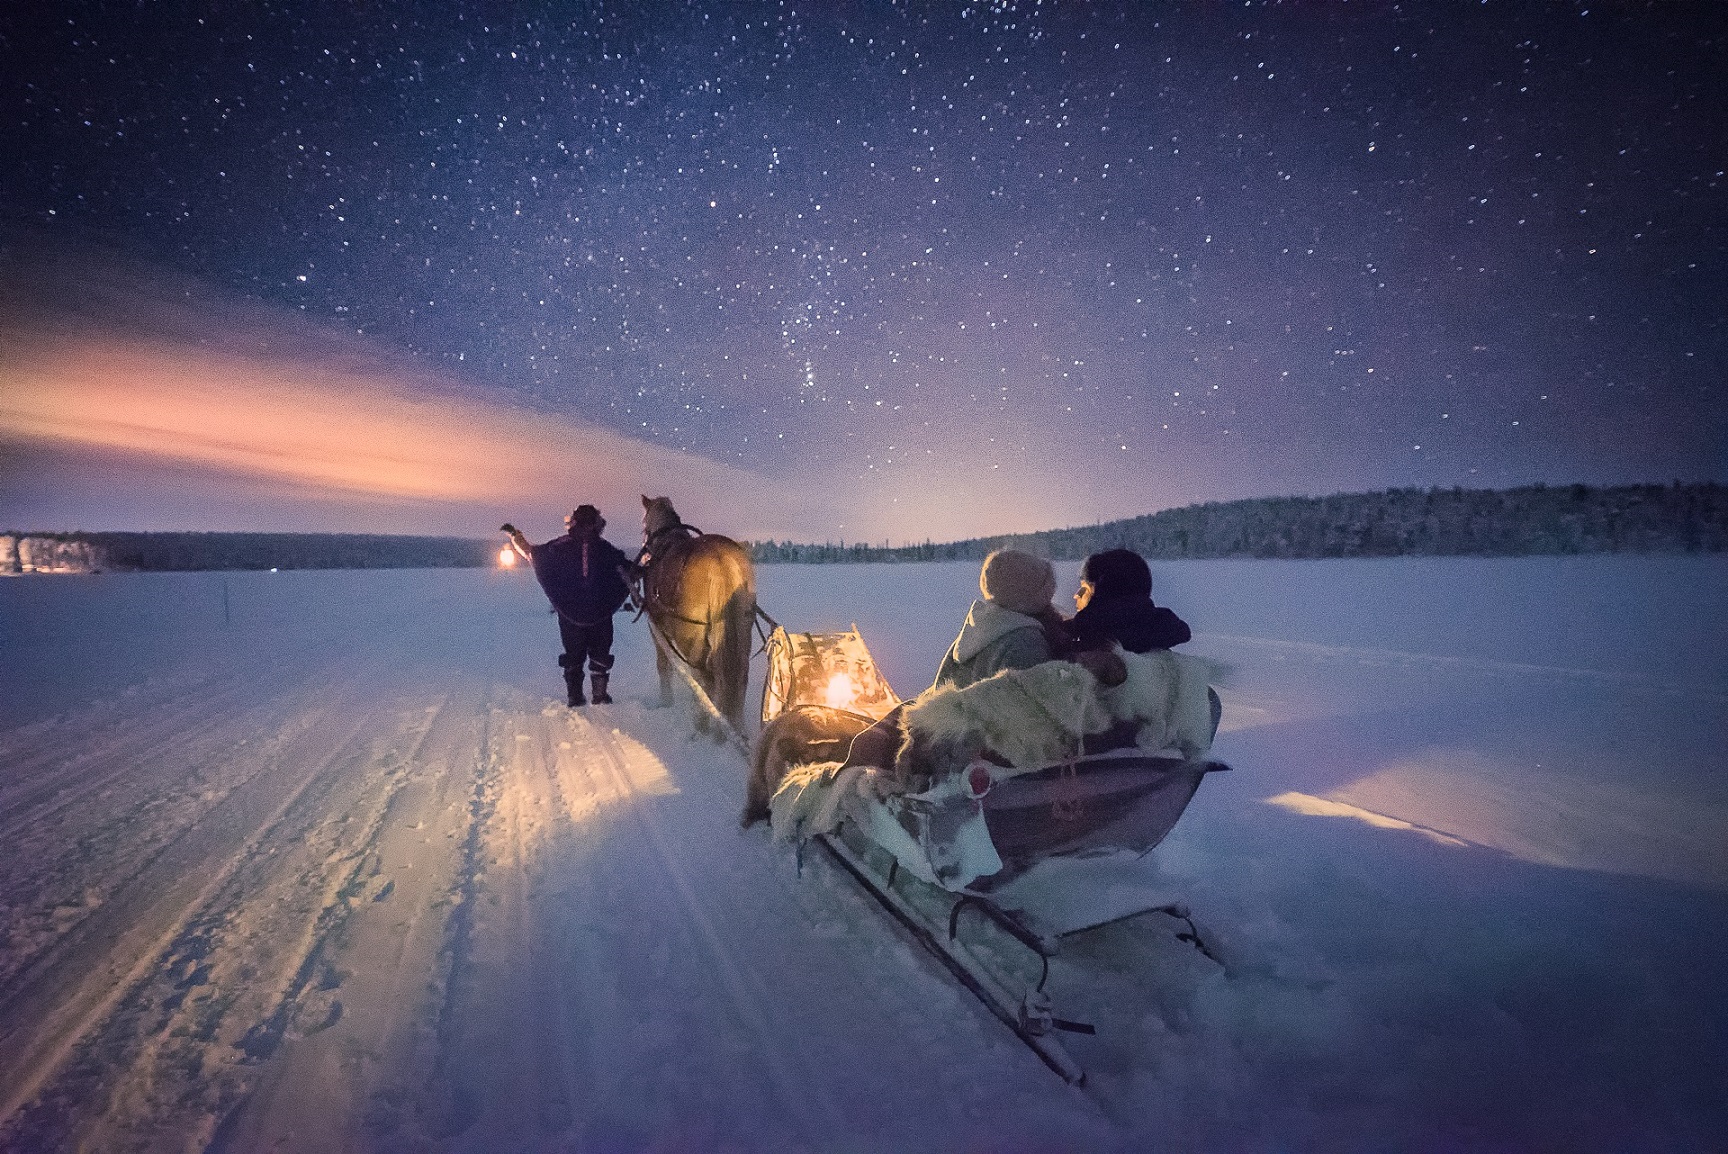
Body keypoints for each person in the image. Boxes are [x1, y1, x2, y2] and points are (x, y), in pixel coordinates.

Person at [502, 505, 634, 707]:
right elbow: (628, 570)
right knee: (599, 653)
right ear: (595, 523)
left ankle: (576, 698)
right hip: (599, 613)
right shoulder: (605, 549)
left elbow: (532, 553)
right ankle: (599, 696)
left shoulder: (561, 546)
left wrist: (515, 536)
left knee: (575, 654)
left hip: (570, 614)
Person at [929, 549, 1067, 691]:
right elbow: (1034, 707)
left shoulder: (975, 633)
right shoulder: (1026, 644)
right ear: (1035, 596)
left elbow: (938, 694)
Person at [1063, 548, 1191, 654]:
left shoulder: (1088, 654)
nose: (1077, 595)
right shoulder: (1161, 640)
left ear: (1104, 592)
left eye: (1085, 588)